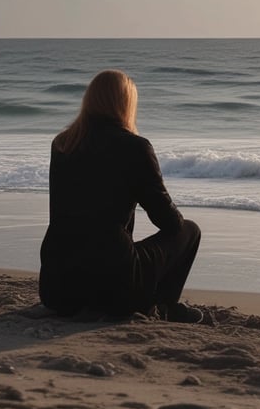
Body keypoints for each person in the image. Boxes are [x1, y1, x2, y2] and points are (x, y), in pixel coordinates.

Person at [38, 69, 202, 323]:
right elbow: (167, 221)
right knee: (189, 231)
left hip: (57, 287)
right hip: (113, 290)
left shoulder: (63, 143)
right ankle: (164, 306)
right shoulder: (135, 147)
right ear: (126, 104)